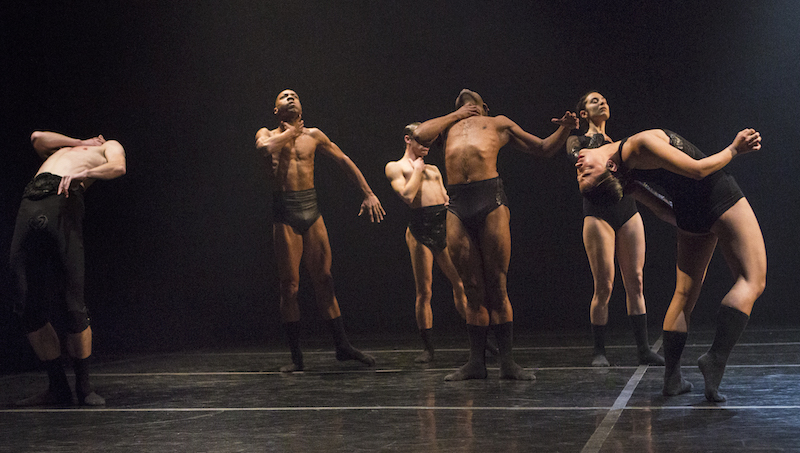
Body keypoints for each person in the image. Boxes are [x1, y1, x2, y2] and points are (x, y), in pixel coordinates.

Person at [574, 127, 764, 402]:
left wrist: (693, 223)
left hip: (688, 212)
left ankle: (672, 379)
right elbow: (699, 170)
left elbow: (664, 211)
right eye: (586, 174)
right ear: (610, 166)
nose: (579, 167)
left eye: (580, 173)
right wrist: (735, 149)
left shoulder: (627, 174)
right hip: (717, 194)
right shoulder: (637, 147)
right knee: (752, 280)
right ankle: (716, 358)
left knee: (684, 295)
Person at [413, 89, 578, 380]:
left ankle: (507, 363)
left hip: (490, 200)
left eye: (471, 100)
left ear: (484, 107)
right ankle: (476, 363)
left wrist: (564, 129)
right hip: (457, 204)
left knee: (497, 286)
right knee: (472, 287)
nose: (465, 96)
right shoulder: (447, 126)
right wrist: (456, 115)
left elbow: (542, 147)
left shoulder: (498, 122)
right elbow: (420, 136)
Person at [255, 89, 385, 372]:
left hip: (311, 208)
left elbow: (343, 159)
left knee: (325, 279)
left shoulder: (314, 135)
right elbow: (265, 149)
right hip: (285, 212)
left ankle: (342, 346)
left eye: (295, 95)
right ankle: (296, 357)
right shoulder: (265, 133)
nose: (290, 97)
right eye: (283, 96)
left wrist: (368, 193)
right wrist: (290, 134)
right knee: (290, 286)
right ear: (276, 110)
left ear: (301, 107)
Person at [10, 131, 127, 406]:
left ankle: (84, 388)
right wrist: (79, 142)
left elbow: (118, 166)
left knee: (72, 303)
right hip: (29, 204)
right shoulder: (62, 150)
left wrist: (85, 171)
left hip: (63, 200)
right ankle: (57, 387)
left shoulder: (109, 146)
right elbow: (37, 137)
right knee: (25, 303)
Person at [566, 92, 665, 367]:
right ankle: (599, 351)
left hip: (627, 210)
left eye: (605, 99)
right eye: (594, 100)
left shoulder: (618, 144)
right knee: (605, 284)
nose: (603, 102)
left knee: (636, 280)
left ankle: (643, 349)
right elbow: (578, 155)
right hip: (597, 213)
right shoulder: (579, 141)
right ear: (583, 113)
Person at [385, 122, 469, 363]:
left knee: (460, 283)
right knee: (425, 291)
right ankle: (428, 348)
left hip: (441, 224)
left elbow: (444, 197)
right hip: (420, 228)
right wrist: (418, 171)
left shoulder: (433, 168)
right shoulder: (395, 167)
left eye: (429, 142)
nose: (427, 146)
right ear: (408, 139)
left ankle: (478, 336)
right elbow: (409, 196)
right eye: (422, 141)